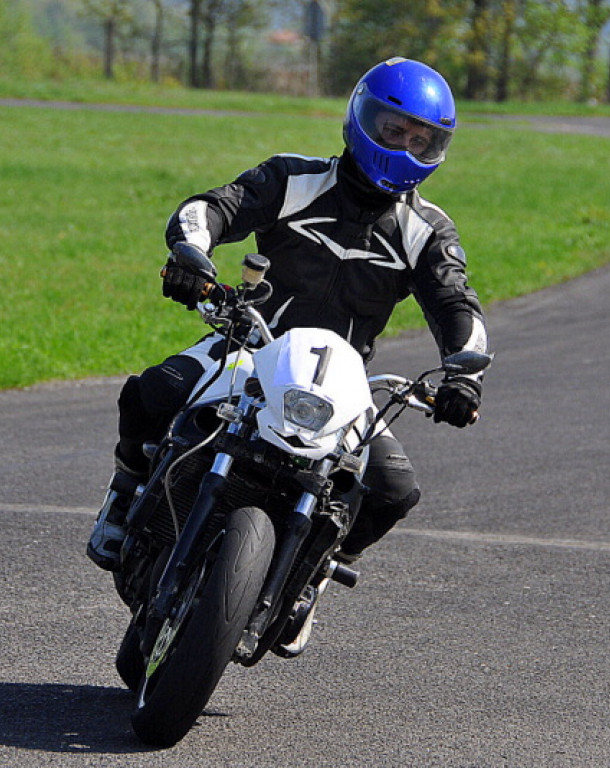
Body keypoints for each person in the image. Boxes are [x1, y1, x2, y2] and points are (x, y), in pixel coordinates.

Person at [87, 57, 488, 572]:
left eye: (421, 140)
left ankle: (309, 569)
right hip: (251, 344)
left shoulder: (428, 231)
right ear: (363, 120)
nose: (404, 146)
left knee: (393, 489)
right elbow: (210, 209)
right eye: (393, 130)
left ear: (437, 148)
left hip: (344, 381)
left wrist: (464, 375)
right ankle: (125, 493)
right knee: (154, 392)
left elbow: (457, 303)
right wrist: (191, 257)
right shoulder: (292, 178)